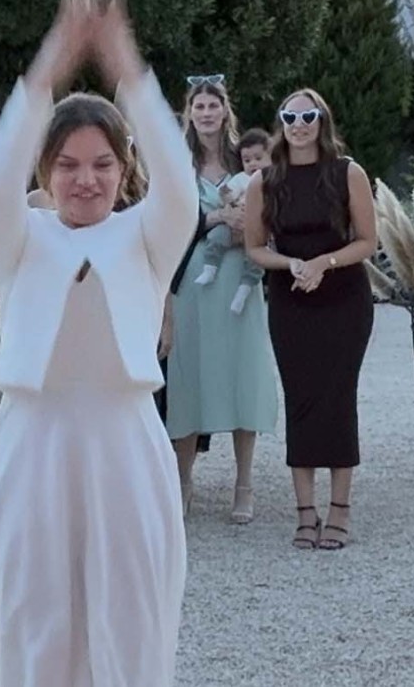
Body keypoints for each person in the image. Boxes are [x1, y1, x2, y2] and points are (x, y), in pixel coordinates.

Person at [0, 0, 197, 687]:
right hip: (33, 451)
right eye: (68, 165)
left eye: (103, 164)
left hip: (126, 451)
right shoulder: (19, 239)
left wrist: (126, 66)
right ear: (46, 171)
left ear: (124, 168)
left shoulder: (147, 235)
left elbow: (181, 184)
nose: (86, 180)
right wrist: (53, 61)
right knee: (32, 625)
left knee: (133, 626)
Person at [244, 90, 376, 551]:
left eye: (308, 115)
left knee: (338, 399)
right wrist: (291, 266)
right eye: (290, 116)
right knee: (300, 399)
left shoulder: (347, 172)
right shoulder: (266, 180)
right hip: (291, 299)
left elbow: (367, 242)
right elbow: (256, 247)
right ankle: (305, 513)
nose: (299, 124)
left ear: (322, 119)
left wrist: (323, 263)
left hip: (344, 299)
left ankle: (339, 512)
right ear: (281, 121)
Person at [165, 77, 279, 523]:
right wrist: (212, 216)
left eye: (214, 104)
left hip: (239, 276)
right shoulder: (177, 162)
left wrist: (247, 225)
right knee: (190, 373)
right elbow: (166, 218)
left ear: (224, 110)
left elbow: (272, 203)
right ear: (190, 112)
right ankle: (183, 480)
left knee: (241, 371)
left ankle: (244, 482)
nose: (207, 112)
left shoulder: (245, 157)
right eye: (199, 105)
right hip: (194, 274)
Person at [195, 127, 272, 314]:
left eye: (258, 158)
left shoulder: (275, 180)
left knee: (256, 258)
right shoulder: (241, 179)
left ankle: (245, 289)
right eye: (247, 160)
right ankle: (210, 267)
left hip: (259, 230)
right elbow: (228, 197)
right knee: (217, 235)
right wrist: (227, 196)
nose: (253, 164)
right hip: (236, 223)